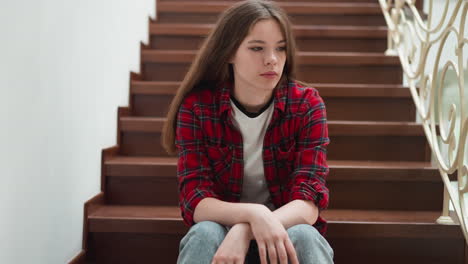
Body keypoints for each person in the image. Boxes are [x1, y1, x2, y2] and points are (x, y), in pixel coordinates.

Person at [161, 1, 334, 263]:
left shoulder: (306, 104)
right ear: (228, 52)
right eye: (257, 48)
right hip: (221, 230)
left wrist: (247, 227)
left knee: (305, 236)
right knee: (204, 233)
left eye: (281, 48)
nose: (272, 59)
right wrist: (253, 215)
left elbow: (308, 202)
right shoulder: (197, 107)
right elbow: (195, 200)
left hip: (284, 226)